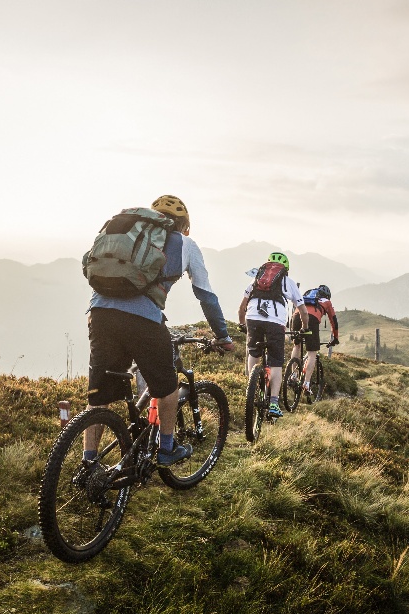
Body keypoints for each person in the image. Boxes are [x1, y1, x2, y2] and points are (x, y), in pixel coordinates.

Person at [84, 195, 234, 466]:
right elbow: (206, 296)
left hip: (99, 313)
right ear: (184, 225)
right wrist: (222, 336)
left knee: (99, 397)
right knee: (167, 387)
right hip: (142, 319)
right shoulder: (185, 244)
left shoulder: (130, 233)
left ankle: (89, 464)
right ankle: (166, 449)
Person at [238, 251, 303, 419]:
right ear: (285, 269)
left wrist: (242, 324)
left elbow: (242, 306)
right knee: (275, 362)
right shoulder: (288, 282)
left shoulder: (256, 279)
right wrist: (305, 327)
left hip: (252, 317)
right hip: (275, 322)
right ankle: (274, 402)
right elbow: (302, 309)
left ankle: (251, 386)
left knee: (253, 352)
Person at [289, 283, 339, 396]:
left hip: (296, 316)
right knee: (312, 353)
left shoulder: (306, 296)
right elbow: (333, 321)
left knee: (297, 346)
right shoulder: (327, 302)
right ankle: (306, 384)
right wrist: (335, 337)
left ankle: (293, 375)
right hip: (311, 320)